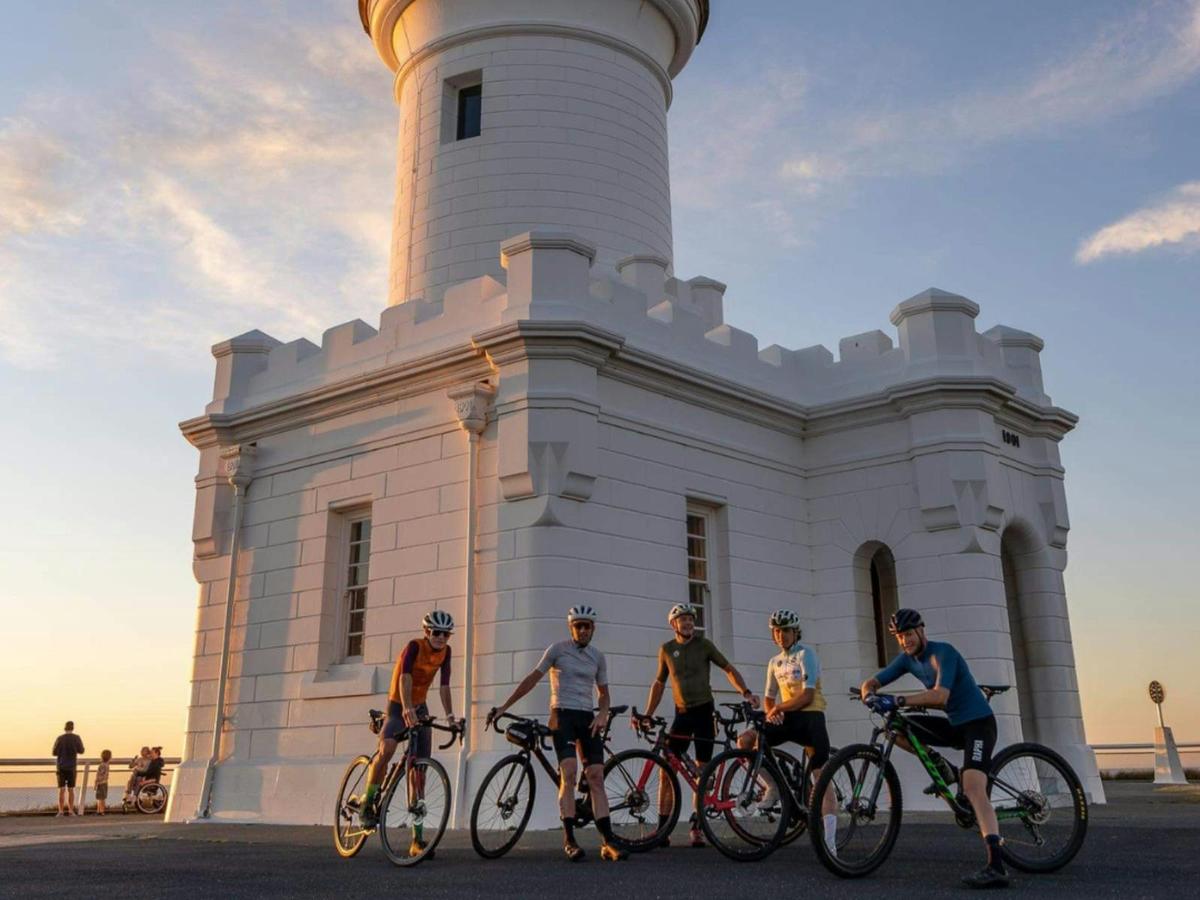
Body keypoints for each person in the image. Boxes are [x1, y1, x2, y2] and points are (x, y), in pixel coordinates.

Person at [860, 608, 1008, 889]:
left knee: (975, 788)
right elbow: (873, 681)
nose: (905, 641)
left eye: (908, 634)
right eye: (900, 637)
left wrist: (899, 700)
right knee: (896, 727)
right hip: (955, 725)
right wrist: (869, 693)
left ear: (921, 630)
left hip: (978, 724)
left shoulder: (943, 653)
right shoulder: (907, 660)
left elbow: (940, 696)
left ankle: (996, 866)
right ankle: (943, 768)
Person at [487, 605, 627, 862]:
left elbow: (604, 693)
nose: (583, 630)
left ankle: (608, 842)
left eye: (587, 626)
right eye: (578, 626)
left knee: (596, 776)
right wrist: (504, 707)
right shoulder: (557, 650)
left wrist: (603, 713)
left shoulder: (598, 656)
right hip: (562, 715)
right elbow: (532, 678)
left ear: (593, 629)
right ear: (570, 628)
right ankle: (569, 840)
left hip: (587, 717)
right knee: (570, 773)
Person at [638, 602, 758, 847]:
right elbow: (659, 684)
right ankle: (663, 829)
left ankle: (697, 827)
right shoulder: (666, 649)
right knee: (666, 769)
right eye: (683, 620)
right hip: (682, 714)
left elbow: (728, 668)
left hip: (704, 711)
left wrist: (745, 692)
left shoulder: (704, 645)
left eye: (691, 619)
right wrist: (648, 713)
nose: (689, 623)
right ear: (674, 625)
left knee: (703, 772)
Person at [360, 609, 459, 859]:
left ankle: (417, 840)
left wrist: (450, 716)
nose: (440, 638)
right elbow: (405, 677)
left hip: (420, 706)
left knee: (419, 773)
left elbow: (444, 685)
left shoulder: (446, 653)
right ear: (427, 632)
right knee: (388, 749)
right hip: (397, 704)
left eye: (445, 634)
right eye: (436, 633)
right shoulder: (414, 647)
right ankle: (367, 801)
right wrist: (405, 708)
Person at [737, 609, 837, 855]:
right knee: (747, 739)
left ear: (795, 632)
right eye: (777, 631)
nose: (781, 635)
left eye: (786, 631)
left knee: (820, 777)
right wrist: (774, 712)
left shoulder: (806, 654)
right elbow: (769, 699)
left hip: (811, 717)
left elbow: (808, 695)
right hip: (788, 716)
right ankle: (774, 786)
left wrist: (778, 708)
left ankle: (831, 843)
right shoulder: (774, 662)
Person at [51, 721, 85, 816]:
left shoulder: (60, 738)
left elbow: (54, 752)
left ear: (64, 728)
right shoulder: (76, 738)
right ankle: (70, 810)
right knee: (71, 789)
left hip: (61, 766)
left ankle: (61, 811)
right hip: (72, 766)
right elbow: (81, 750)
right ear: (73, 728)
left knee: (61, 789)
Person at [95, 750, 112, 815]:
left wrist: (96, 781)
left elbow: (100, 774)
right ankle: (101, 810)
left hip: (100, 783)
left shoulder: (101, 765)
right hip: (104, 782)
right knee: (102, 797)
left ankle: (99, 810)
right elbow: (104, 775)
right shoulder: (107, 765)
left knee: (99, 797)